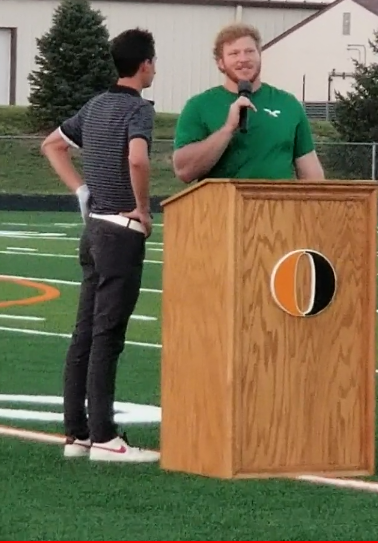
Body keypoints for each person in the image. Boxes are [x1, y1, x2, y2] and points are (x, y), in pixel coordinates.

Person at [39, 28, 160, 464]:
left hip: (92, 229)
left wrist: (82, 190)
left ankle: (77, 433)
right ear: (145, 64)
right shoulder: (138, 110)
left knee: (85, 334)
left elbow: (51, 145)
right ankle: (106, 436)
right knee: (108, 336)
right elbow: (138, 158)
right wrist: (142, 208)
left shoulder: (95, 106)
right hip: (120, 231)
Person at [172, 23, 326, 183]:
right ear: (220, 63)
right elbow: (184, 171)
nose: (243, 59)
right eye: (234, 53)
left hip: (278, 206)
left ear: (260, 55)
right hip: (222, 206)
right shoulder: (198, 106)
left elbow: (312, 176)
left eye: (250, 52)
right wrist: (228, 129)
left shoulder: (288, 104)